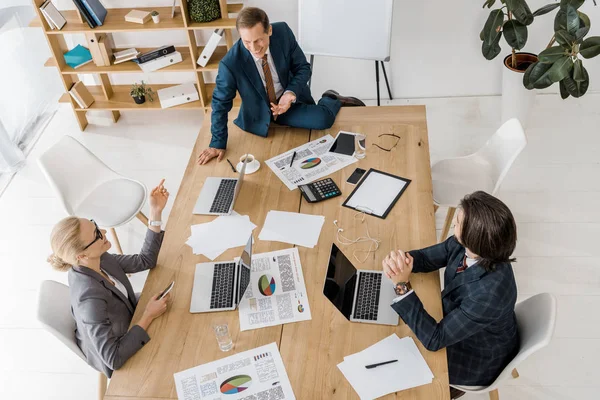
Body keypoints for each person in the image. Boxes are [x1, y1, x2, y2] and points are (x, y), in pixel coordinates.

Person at [382, 191, 519, 399]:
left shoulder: (489, 295)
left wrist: (402, 285)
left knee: (397, 374)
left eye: (457, 223)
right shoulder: (468, 244)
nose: (453, 224)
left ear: (475, 238)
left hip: (474, 357)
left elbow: (434, 340)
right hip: (464, 323)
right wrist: (402, 262)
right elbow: (431, 258)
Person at [197, 7, 365, 165]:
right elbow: (220, 103)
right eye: (246, 42)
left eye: (259, 40)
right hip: (259, 114)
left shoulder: (282, 32)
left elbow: (303, 68)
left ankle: (331, 98)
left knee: (323, 120)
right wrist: (217, 143)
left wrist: (290, 94)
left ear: (269, 30)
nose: (254, 48)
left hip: (288, 103)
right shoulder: (230, 63)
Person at [47, 179, 171, 378]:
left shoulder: (99, 258)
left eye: (96, 225)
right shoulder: (89, 299)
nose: (104, 232)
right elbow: (113, 358)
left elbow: (145, 260)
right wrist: (147, 315)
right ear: (81, 255)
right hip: (123, 353)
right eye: (97, 234)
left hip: (129, 320)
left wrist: (155, 213)